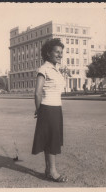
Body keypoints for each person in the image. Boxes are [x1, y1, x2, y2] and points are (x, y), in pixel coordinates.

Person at [32, 38, 68, 182]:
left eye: (61, 52)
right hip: (48, 108)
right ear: (48, 53)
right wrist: (39, 110)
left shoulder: (57, 70)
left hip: (56, 108)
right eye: (57, 52)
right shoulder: (44, 69)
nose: (60, 55)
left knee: (51, 139)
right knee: (52, 140)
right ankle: (53, 172)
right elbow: (37, 92)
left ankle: (48, 170)